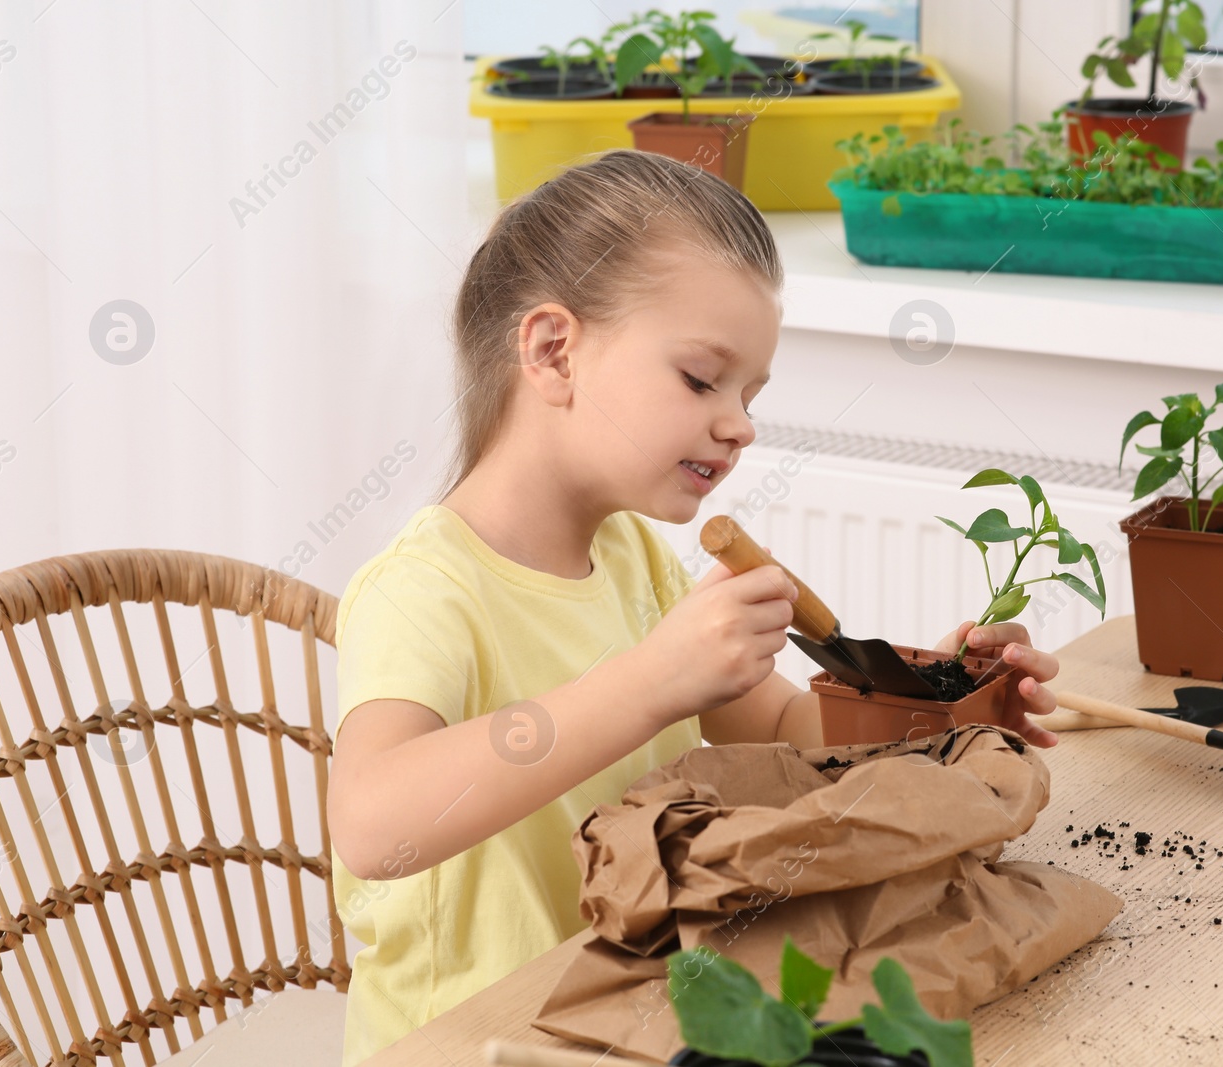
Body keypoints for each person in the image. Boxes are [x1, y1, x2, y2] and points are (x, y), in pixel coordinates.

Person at [324, 149, 1061, 1065]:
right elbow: (372, 826)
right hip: (471, 1044)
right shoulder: (426, 587)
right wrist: (649, 681)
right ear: (555, 351)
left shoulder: (634, 557)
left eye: (749, 393)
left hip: (627, 1018)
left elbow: (792, 730)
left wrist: (936, 693)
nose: (742, 423)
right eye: (702, 379)